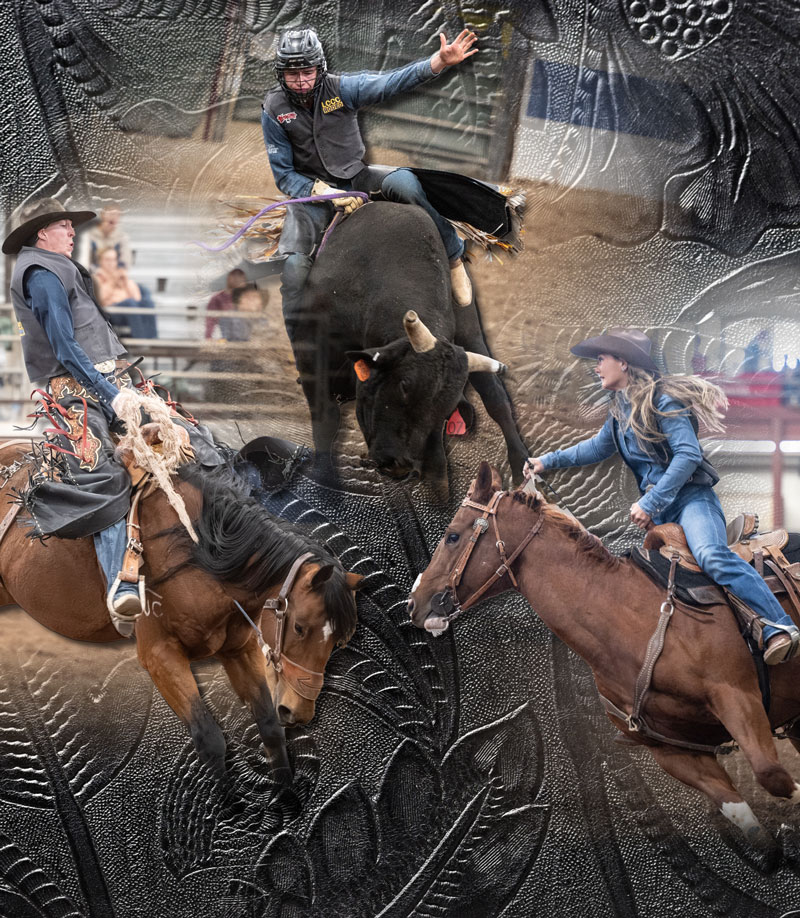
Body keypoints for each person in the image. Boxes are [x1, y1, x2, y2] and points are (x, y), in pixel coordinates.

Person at [3, 199, 223, 635]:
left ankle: (228, 546)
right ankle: (121, 585)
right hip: (78, 394)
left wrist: (120, 389)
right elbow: (65, 348)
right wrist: (111, 395)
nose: (71, 232)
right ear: (41, 234)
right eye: (64, 226)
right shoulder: (42, 274)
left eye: (70, 226)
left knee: (192, 438)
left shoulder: (57, 268)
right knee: (102, 476)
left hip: (113, 383)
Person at [523, 327, 800, 666]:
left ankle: (779, 626)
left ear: (623, 362)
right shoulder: (619, 412)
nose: (596, 367)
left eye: (600, 360)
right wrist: (545, 461)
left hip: (692, 501)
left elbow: (688, 455)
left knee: (711, 556)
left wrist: (649, 503)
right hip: (663, 515)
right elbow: (594, 448)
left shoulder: (664, 400)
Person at [262, 27, 478, 318]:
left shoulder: (341, 90)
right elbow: (284, 175)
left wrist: (437, 62)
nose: (301, 81)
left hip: (356, 176)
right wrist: (321, 191)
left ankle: (453, 257)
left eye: (307, 72)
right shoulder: (274, 108)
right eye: (292, 74)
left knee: (406, 183)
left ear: (320, 68)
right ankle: (300, 343)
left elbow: (390, 83)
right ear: (280, 74)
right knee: (294, 270)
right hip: (311, 197)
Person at [92, 246, 158, 339]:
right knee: (129, 303)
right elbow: (101, 300)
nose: (111, 263)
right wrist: (112, 281)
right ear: (100, 261)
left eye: (113, 260)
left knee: (148, 303)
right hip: (110, 312)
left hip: (129, 312)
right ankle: (140, 342)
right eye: (107, 260)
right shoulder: (96, 278)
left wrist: (126, 281)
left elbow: (137, 299)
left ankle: (153, 340)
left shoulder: (121, 275)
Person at [205, 267, 248, 338]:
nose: (238, 281)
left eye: (241, 280)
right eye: (235, 279)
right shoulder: (217, 299)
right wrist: (208, 337)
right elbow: (210, 321)